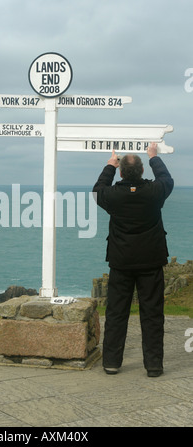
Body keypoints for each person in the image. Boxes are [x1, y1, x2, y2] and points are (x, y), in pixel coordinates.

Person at [93, 143, 174, 377]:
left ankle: (111, 362)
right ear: (141, 172)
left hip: (121, 262)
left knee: (117, 313)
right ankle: (154, 365)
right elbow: (166, 180)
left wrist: (110, 165)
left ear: (121, 173)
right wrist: (153, 157)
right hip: (151, 261)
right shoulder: (154, 192)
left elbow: (98, 189)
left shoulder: (113, 195)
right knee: (153, 314)